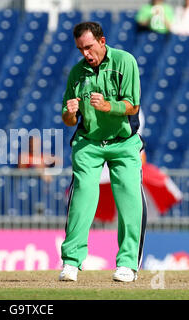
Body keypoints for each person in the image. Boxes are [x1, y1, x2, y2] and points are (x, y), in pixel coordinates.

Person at [59, 22, 147, 282]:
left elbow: (133, 106)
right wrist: (70, 112)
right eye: (80, 49)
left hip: (124, 141)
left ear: (102, 41)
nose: (85, 54)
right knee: (82, 197)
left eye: (88, 47)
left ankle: (128, 264)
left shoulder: (124, 61)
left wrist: (109, 106)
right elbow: (67, 119)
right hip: (89, 143)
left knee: (130, 199)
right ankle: (71, 262)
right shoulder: (77, 72)